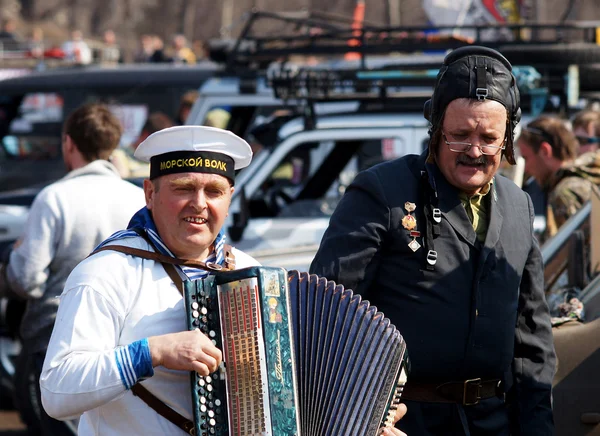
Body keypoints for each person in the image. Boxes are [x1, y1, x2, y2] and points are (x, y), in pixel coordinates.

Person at [39, 124, 408, 435]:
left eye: (214, 191)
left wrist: (365, 421)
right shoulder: (108, 271)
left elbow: (297, 395)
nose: (199, 203)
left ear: (230, 197)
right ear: (150, 194)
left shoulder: (252, 274)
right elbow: (57, 392)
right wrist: (152, 352)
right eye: (183, 187)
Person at [310, 46, 556, 435]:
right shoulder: (381, 192)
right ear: (436, 129)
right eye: (460, 135)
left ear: (507, 140)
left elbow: (531, 338)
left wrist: (538, 427)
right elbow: (326, 314)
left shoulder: (519, 205)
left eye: (489, 138)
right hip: (402, 423)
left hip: (494, 423)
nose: (474, 151)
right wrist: (360, 418)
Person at [0, 103, 145, 435]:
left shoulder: (54, 198)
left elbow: (25, 279)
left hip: (53, 341)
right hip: (121, 344)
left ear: (68, 143)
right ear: (112, 145)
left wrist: (10, 264)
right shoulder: (137, 198)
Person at [517, 115, 600, 242]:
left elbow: (568, 258)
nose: (526, 168)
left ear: (545, 151)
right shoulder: (581, 180)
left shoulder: (564, 194)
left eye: (526, 158)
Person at [111, 112, 174, 178]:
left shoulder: (163, 159)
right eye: (160, 142)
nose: (162, 147)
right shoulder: (119, 154)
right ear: (145, 135)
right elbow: (123, 180)